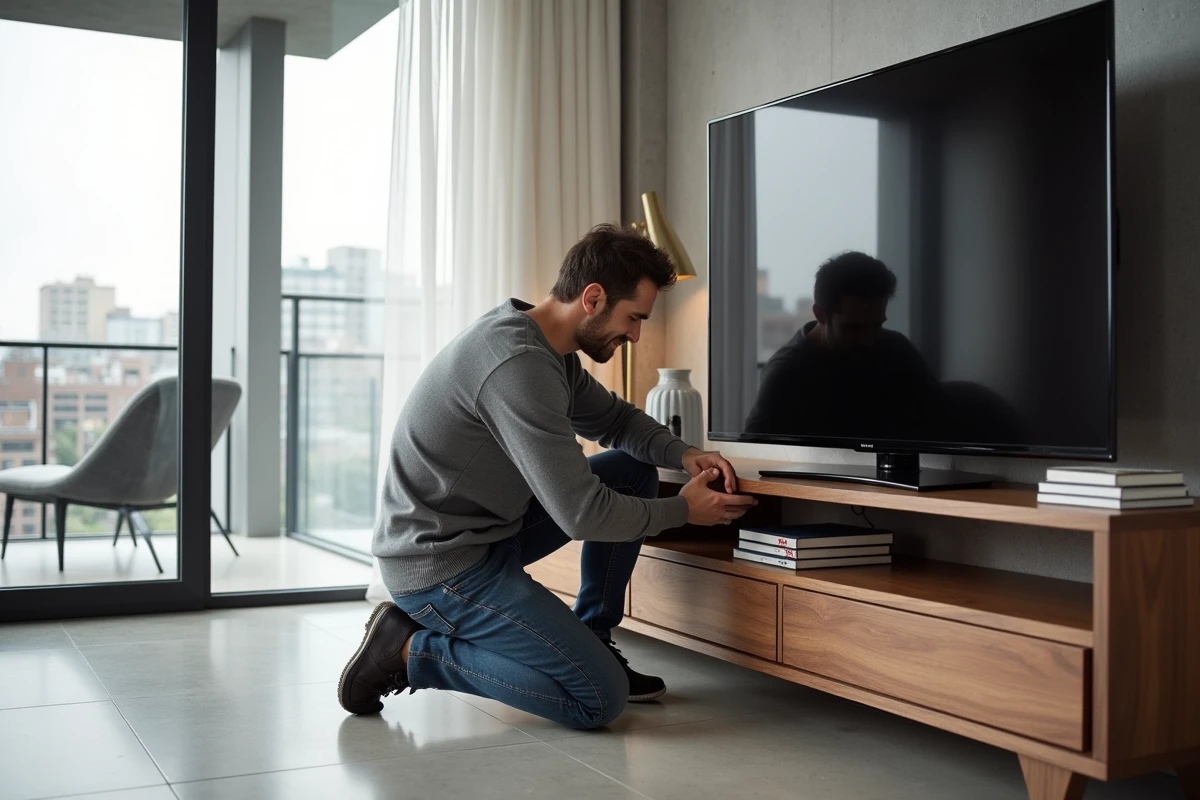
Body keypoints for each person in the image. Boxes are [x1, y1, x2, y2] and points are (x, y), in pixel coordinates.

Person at [339, 223, 758, 729]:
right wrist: (684, 510)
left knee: (630, 470)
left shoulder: (546, 348)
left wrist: (684, 452)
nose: (635, 335)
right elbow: (581, 514)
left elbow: (616, 421)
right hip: (440, 565)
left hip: (487, 536)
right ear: (593, 298)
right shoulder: (517, 364)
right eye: (633, 318)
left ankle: (592, 634)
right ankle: (411, 652)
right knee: (598, 699)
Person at [744, 251, 938, 439]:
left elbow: (937, 419)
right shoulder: (785, 375)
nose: (868, 340)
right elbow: (755, 450)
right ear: (820, 314)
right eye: (854, 327)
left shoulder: (898, 350)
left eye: (876, 325)